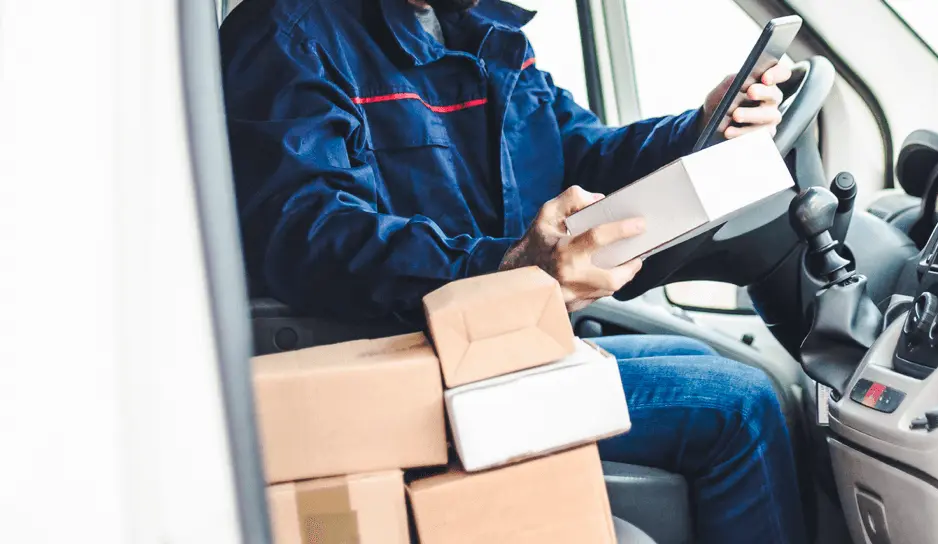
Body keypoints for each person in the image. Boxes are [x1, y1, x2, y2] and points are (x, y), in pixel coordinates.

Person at [220, 0, 806, 541]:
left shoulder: (484, 30)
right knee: (741, 403)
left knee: (711, 364)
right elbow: (310, 234)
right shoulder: (288, 33)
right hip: (418, 374)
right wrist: (508, 267)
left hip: (507, 348)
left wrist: (701, 129)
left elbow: (580, 152)